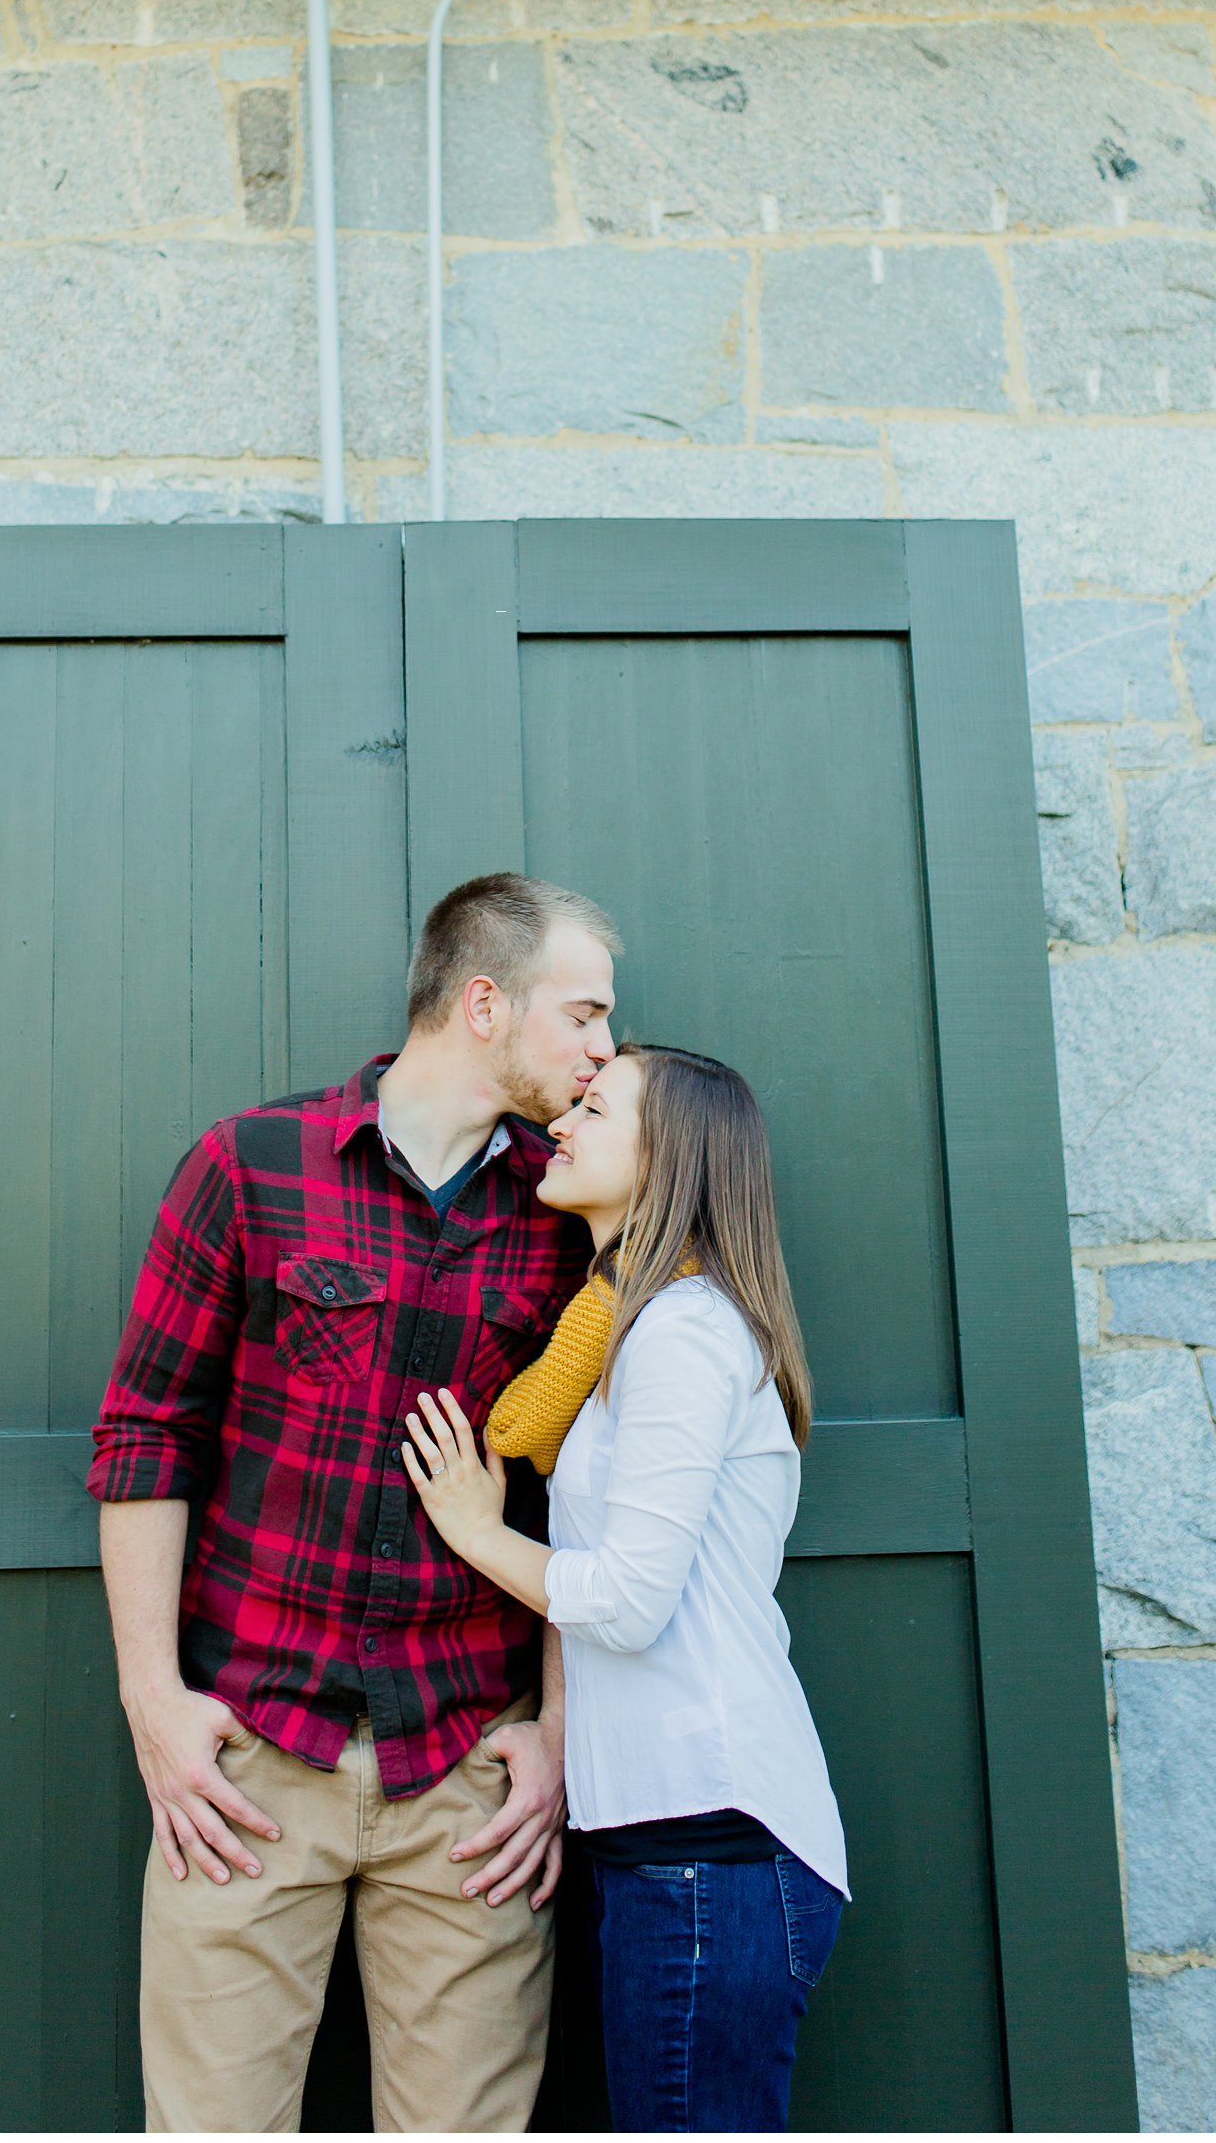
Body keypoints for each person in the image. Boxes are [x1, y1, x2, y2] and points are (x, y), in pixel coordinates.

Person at [89, 872, 622, 2135]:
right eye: (585, 1013)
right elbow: (143, 1435)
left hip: (469, 1785)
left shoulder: (571, 1211)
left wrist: (554, 1728)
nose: (605, 1049)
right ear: (484, 1001)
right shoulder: (251, 1164)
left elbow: (582, 1492)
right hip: (247, 1767)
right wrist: (152, 1700)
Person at [404, 1041, 849, 2136]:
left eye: (594, 1108)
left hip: (710, 1837)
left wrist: (471, 1528)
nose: (563, 1120)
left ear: (669, 1155)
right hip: (671, 1840)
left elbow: (628, 1597)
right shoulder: (624, 1331)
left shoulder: (683, 1333)